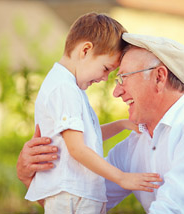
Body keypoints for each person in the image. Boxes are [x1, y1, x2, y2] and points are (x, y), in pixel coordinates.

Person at [17, 33, 184, 214]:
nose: (116, 92)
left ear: (159, 77)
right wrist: (29, 176)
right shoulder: (138, 143)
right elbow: (82, 202)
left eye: (123, 79)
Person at [24, 14, 162, 214]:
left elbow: (87, 136)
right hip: (72, 195)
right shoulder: (64, 88)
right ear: (85, 50)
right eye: (106, 69)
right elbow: (77, 149)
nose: (105, 79)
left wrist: (122, 124)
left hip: (77, 194)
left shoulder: (70, 87)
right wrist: (122, 178)